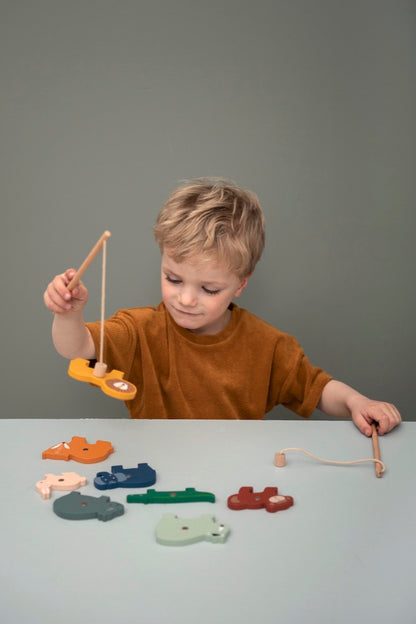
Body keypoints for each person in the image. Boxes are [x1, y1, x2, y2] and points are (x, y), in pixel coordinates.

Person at [44, 178, 401, 435]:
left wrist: (357, 402)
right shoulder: (139, 331)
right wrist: (68, 313)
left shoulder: (268, 346)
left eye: (209, 288)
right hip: (155, 476)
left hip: (237, 481)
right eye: (173, 279)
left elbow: (317, 389)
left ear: (240, 285)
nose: (185, 299)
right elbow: (75, 347)